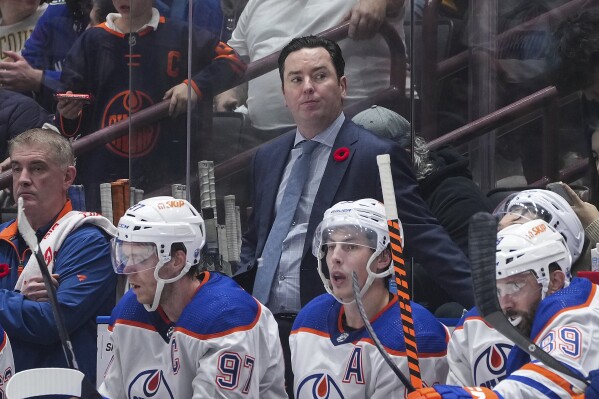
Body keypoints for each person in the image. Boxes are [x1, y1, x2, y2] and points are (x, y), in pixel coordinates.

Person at [236, 35, 474, 397]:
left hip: (327, 327)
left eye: (320, 76)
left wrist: (487, 301)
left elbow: (424, 236)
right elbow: (258, 240)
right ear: (284, 94)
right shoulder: (267, 156)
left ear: (343, 85)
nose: (308, 88)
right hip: (262, 326)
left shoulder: (375, 154)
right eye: (296, 80)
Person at [56, 0, 245, 211]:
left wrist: (195, 86)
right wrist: (69, 113)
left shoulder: (180, 35)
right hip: (102, 177)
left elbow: (232, 61)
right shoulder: (91, 41)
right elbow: (69, 112)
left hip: (166, 173)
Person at [99, 196, 287, 398]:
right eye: (126, 256)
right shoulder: (129, 312)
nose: (128, 269)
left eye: (140, 258)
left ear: (177, 260)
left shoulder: (228, 319)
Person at [409, 217, 599, 399]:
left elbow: (550, 383)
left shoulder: (579, 309)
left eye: (516, 285)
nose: (504, 304)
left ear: (554, 281)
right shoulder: (474, 325)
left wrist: (485, 396)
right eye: (497, 289)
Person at [290, 199, 449, 398]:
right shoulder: (309, 319)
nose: (334, 257)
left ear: (383, 257)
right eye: (330, 246)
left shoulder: (414, 335)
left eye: (350, 246)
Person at [0, 128, 117, 383]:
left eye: (38, 168)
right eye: (17, 168)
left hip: (61, 388)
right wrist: (21, 302)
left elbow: (50, 323)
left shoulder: (88, 240)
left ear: (67, 177)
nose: (23, 179)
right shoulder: (2, 236)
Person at [445, 189, 586, 387]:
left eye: (519, 228)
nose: (504, 239)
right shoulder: (473, 324)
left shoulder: (582, 317)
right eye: (501, 229)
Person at [214, 0, 405, 138]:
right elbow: (235, 60)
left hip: (357, 125)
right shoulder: (256, 3)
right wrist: (228, 93)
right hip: (265, 139)